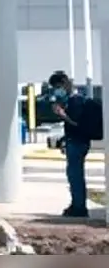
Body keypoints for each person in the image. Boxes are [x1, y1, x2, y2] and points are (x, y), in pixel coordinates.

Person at [48, 70, 99, 218]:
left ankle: (79, 207)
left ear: (65, 83)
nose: (57, 90)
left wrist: (62, 115)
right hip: (76, 141)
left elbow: (76, 123)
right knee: (74, 175)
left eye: (58, 86)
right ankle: (76, 204)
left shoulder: (75, 100)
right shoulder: (72, 100)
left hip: (78, 143)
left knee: (75, 175)